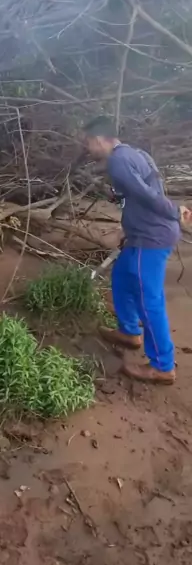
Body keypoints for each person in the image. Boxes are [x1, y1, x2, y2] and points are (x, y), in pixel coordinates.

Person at [83, 116, 192, 385]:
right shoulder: (134, 153)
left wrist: (175, 210)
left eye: (88, 142)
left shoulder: (118, 161)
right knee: (121, 276)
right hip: (140, 234)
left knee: (148, 299)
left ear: (99, 140)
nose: (87, 148)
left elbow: (147, 196)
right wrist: (128, 227)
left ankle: (163, 366)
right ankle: (130, 332)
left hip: (151, 238)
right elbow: (139, 195)